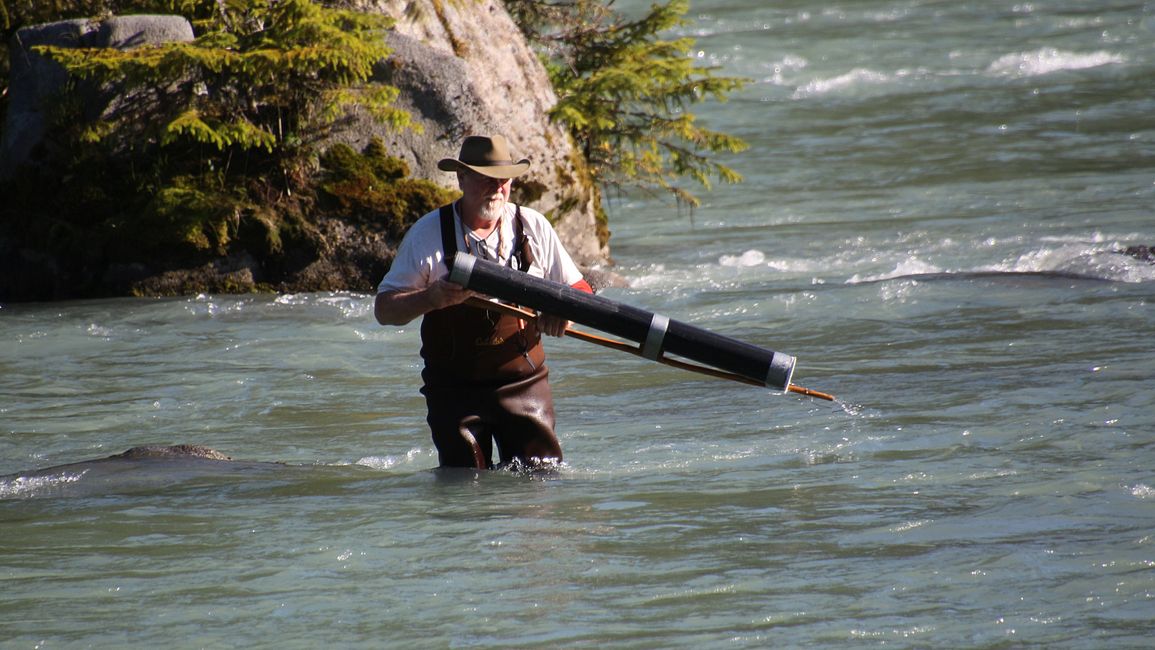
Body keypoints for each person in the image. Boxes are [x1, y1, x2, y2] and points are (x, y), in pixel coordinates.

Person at [374, 134, 594, 469]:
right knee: (463, 489)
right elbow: (384, 309)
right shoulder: (427, 233)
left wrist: (562, 311)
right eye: (484, 179)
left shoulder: (532, 225)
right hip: (453, 390)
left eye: (502, 181)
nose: (496, 189)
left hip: (524, 384)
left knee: (542, 479)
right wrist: (430, 298)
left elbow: (581, 291)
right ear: (461, 179)